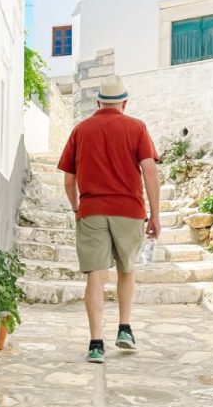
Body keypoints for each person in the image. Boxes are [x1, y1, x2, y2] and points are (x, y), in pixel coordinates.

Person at [57, 75, 160, 363]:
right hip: (129, 210)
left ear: (98, 101)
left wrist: (77, 207)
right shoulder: (137, 128)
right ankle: (125, 329)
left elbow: (68, 179)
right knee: (127, 270)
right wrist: (155, 215)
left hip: (92, 209)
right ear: (124, 103)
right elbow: (150, 171)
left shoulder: (81, 130)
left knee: (96, 276)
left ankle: (95, 344)